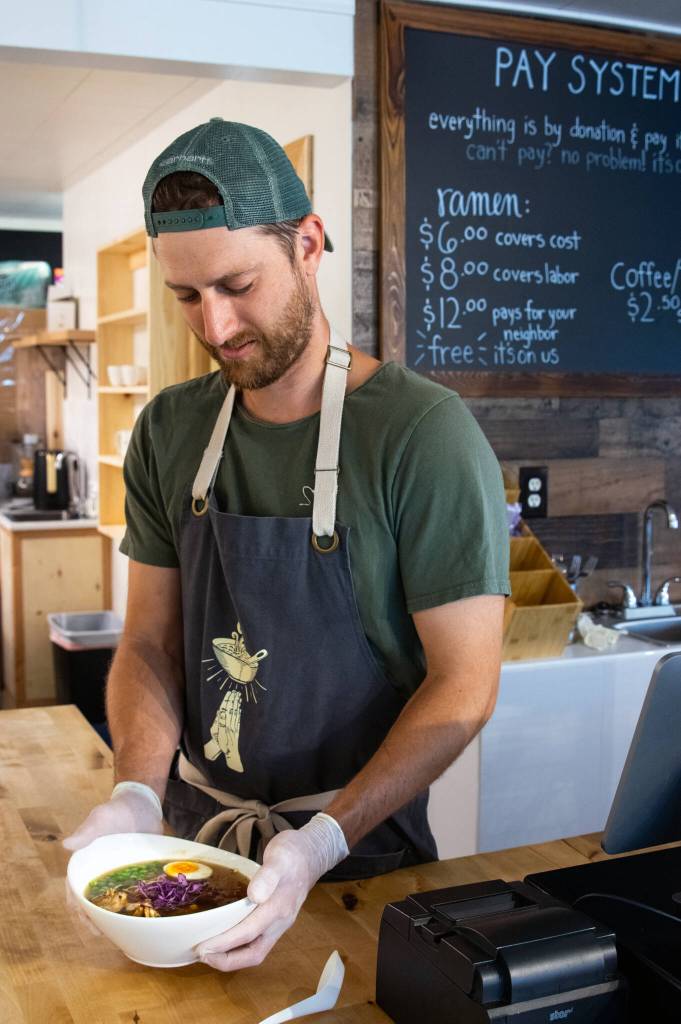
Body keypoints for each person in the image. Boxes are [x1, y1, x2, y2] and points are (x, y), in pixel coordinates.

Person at [64, 118, 510, 972]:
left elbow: (465, 684)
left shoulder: (422, 434)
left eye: (237, 284)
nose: (216, 325)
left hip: (359, 866)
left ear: (308, 243)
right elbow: (150, 644)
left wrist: (318, 844)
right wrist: (133, 792)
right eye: (187, 296)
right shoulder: (169, 431)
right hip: (192, 856)